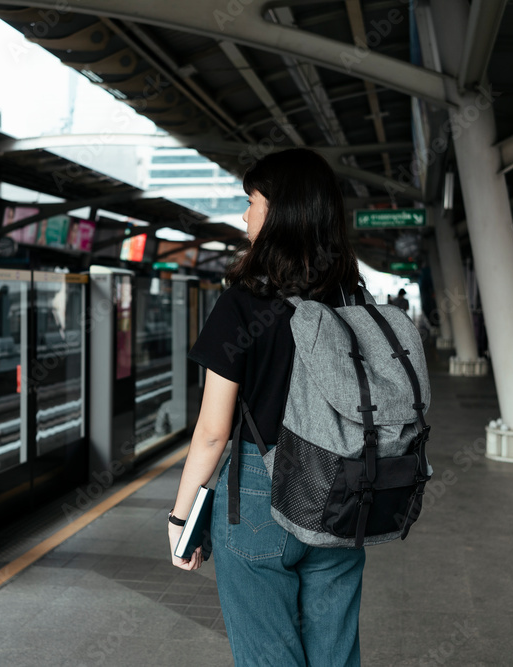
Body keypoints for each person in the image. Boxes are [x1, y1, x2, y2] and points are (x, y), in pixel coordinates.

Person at [168, 148, 366, 666]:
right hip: (342, 490)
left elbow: (213, 432)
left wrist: (181, 515)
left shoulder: (243, 304)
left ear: (278, 212)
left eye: (252, 202)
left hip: (261, 489)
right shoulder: (351, 302)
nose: (245, 215)